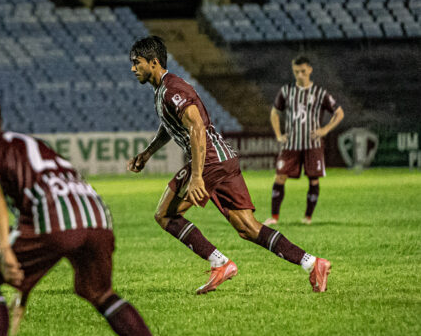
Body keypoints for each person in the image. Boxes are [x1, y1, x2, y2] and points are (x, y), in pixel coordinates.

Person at [0, 94, 178, 336]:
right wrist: (23, 292)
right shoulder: (32, 142)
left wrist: (5, 248)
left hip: (53, 215)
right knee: (98, 291)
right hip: (96, 214)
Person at [126, 36, 331, 294]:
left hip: (209, 159)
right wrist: (147, 153)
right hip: (223, 158)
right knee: (247, 227)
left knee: (164, 214)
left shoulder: (172, 89)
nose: (133, 68)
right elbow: (171, 126)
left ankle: (219, 263)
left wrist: (197, 176)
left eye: (137, 62)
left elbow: (196, 126)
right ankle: (312, 263)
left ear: (154, 62)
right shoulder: (163, 90)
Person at [264, 56, 344, 226]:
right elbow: (274, 113)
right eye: (296, 72)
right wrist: (278, 135)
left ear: (310, 70)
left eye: (302, 71)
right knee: (280, 176)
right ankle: (274, 217)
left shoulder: (320, 93)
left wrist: (325, 130)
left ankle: (308, 218)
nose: (300, 75)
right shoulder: (286, 91)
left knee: (313, 179)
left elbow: (339, 113)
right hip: (291, 144)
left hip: (313, 144)